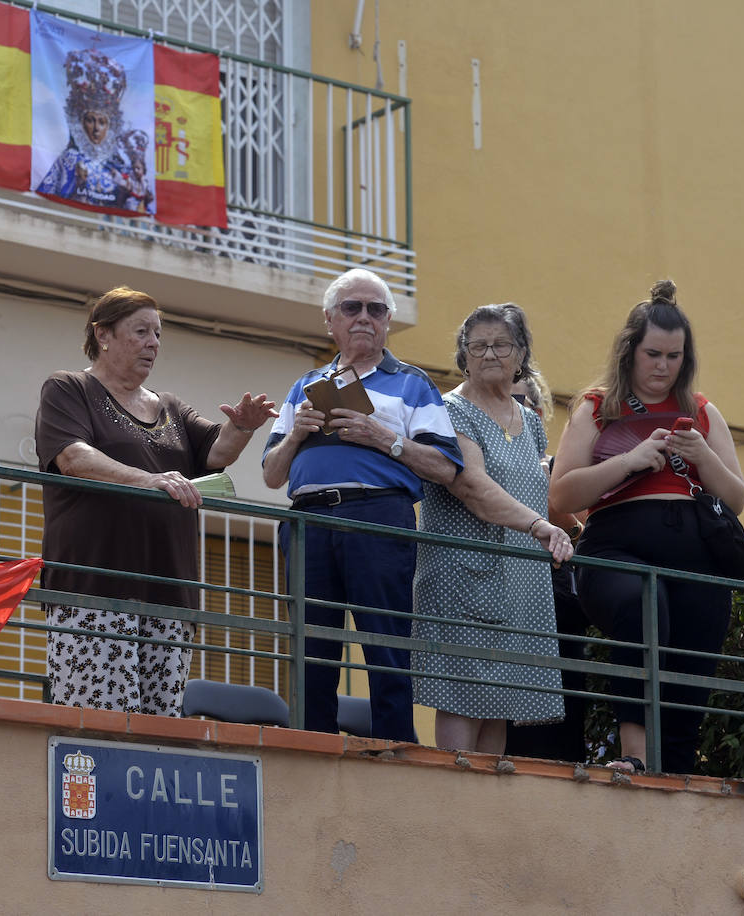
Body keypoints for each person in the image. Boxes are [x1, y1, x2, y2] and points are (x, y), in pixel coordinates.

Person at [34, 286, 276, 715]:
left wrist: (243, 428)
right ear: (103, 334)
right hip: (95, 590)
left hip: (169, 592)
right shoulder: (69, 388)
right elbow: (73, 456)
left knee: (160, 729)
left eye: (158, 334)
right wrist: (149, 480)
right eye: (141, 331)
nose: (153, 343)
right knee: (101, 724)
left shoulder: (170, 407)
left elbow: (216, 455)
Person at [550, 280, 744, 775]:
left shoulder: (702, 410)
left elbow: (738, 498)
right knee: (643, 600)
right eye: (653, 354)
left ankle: (677, 768)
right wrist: (631, 461)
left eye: (674, 356)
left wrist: (703, 458)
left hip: (695, 549)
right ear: (630, 352)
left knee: (696, 639)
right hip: (615, 545)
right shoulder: (597, 406)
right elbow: (562, 495)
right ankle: (634, 756)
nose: (663, 366)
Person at [262, 268, 463, 741]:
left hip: (379, 514)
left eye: (376, 309)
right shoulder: (304, 385)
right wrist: (297, 433)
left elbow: (447, 467)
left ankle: (394, 748)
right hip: (309, 519)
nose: (364, 317)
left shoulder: (414, 384)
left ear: (388, 320)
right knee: (311, 648)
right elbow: (272, 474)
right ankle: (312, 743)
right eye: (352, 308)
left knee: (385, 642)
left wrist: (385, 440)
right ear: (330, 320)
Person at [412, 304, 572, 754]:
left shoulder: (530, 422)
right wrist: (540, 526)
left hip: (520, 578)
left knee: (503, 698)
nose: (488, 354)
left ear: (521, 353)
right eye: (477, 345)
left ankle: (486, 808)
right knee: (463, 695)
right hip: (463, 573)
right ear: (464, 354)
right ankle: (457, 797)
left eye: (500, 344)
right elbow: (473, 487)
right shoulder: (449, 410)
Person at [504, 372, 595, 763]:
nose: (505, 411)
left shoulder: (561, 471)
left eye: (517, 402)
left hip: (557, 607)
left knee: (559, 741)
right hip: (503, 608)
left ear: (539, 414)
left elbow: (592, 532)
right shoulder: (484, 465)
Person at [35, 49, 142, 211]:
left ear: (110, 126)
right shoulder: (68, 160)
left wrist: (125, 192)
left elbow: (133, 207)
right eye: (90, 120)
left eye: (102, 122)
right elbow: (49, 198)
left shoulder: (120, 166)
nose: (96, 129)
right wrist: (79, 184)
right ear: (80, 122)